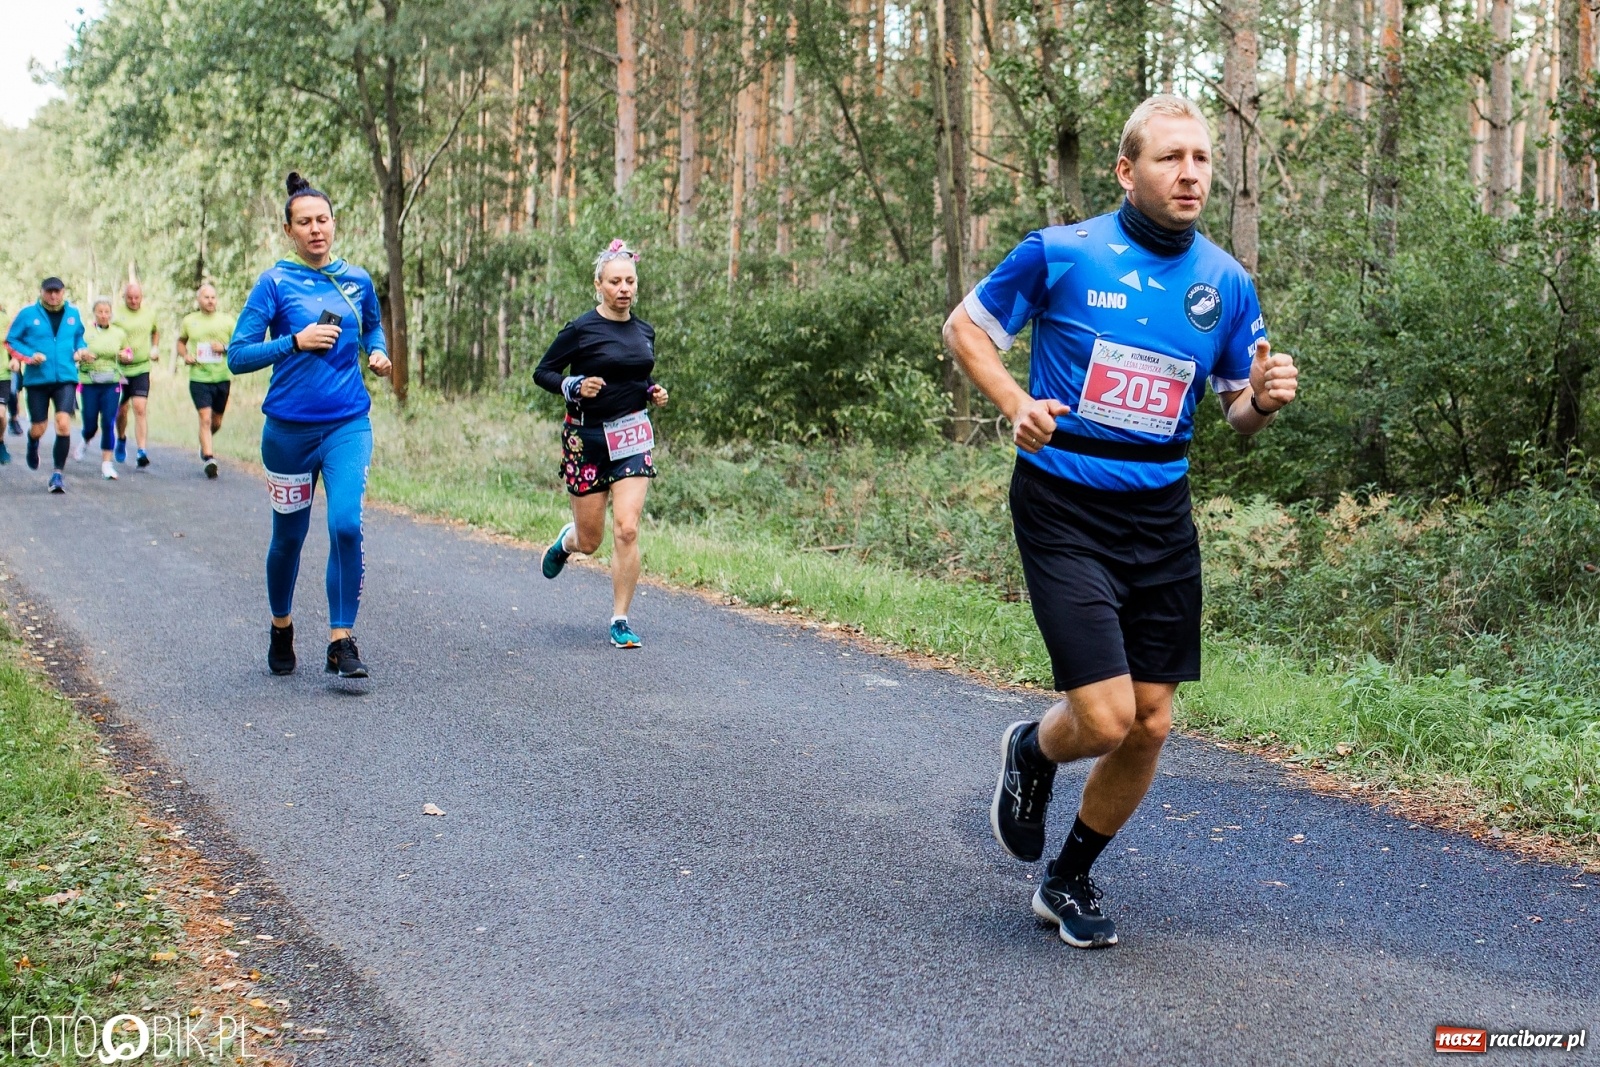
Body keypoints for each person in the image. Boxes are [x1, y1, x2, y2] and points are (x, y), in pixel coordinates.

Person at [942, 95, 1300, 949]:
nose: (1189, 174)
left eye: (1202, 159)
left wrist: (1263, 399)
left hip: (1161, 514)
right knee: (1101, 719)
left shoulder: (1226, 283)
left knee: (1153, 721)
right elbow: (966, 328)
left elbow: (1236, 414)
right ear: (1126, 170)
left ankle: (1067, 877)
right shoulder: (1061, 253)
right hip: (1064, 502)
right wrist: (1017, 402)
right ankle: (1034, 749)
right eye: (1170, 157)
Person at [228, 172, 392, 679]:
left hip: (347, 424)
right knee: (288, 539)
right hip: (288, 433)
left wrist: (379, 351)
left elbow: (372, 325)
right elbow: (237, 356)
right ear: (288, 230)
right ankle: (281, 626)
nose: (316, 229)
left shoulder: (358, 279)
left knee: (346, 524)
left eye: (322, 220)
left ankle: (341, 641)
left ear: (334, 223)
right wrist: (293, 342)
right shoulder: (274, 283)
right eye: (305, 222)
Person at [534, 240, 669, 649]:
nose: (624, 288)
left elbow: (634, 376)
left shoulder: (645, 331)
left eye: (630, 281)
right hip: (587, 438)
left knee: (627, 529)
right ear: (599, 285)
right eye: (615, 281)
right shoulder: (580, 329)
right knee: (590, 541)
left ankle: (620, 619)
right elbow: (543, 372)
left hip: (632, 435)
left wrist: (651, 391)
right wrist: (574, 384)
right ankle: (566, 541)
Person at [4, 278, 89, 493]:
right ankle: (32, 442)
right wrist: (29, 356)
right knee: (39, 427)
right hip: (37, 380)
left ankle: (57, 474)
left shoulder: (73, 314)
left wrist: (81, 350)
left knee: (62, 423)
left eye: (57, 292)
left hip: (66, 378)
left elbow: (79, 337)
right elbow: (11, 341)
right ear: (41, 292)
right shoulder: (28, 314)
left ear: (63, 292)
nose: (53, 296)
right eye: (49, 292)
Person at [178, 283, 237, 478]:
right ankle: (209, 458)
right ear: (199, 300)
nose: (210, 301)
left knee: (216, 421)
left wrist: (224, 347)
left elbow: (239, 344)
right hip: (199, 377)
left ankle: (205, 443)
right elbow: (181, 342)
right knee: (205, 418)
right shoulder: (189, 321)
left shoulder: (227, 321)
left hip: (221, 376)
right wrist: (185, 355)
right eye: (206, 297)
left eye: (213, 297)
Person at [77, 298, 129, 480]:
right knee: (90, 422)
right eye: (100, 311)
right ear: (94, 313)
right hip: (89, 382)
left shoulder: (119, 333)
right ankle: (85, 439)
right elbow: (75, 352)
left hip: (111, 382)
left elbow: (128, 352)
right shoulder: (85, 332)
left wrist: (125, 356)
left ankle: (107, 464)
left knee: (108, 421)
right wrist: (83, 355)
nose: (104, 315)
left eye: (107, 311)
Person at [113, 281, 159, 468]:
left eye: (137, 298)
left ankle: (141, 450)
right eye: (130, 298)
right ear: (124, 297)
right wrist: (117, 353)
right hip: (120, 370)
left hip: (141, 367)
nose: (133, 301)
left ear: (142, 297)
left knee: (140, 407)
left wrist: (155, 347)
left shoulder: (149, 314)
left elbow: (155, 332)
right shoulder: (116, 315)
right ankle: (121, 438)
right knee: (121, 411)